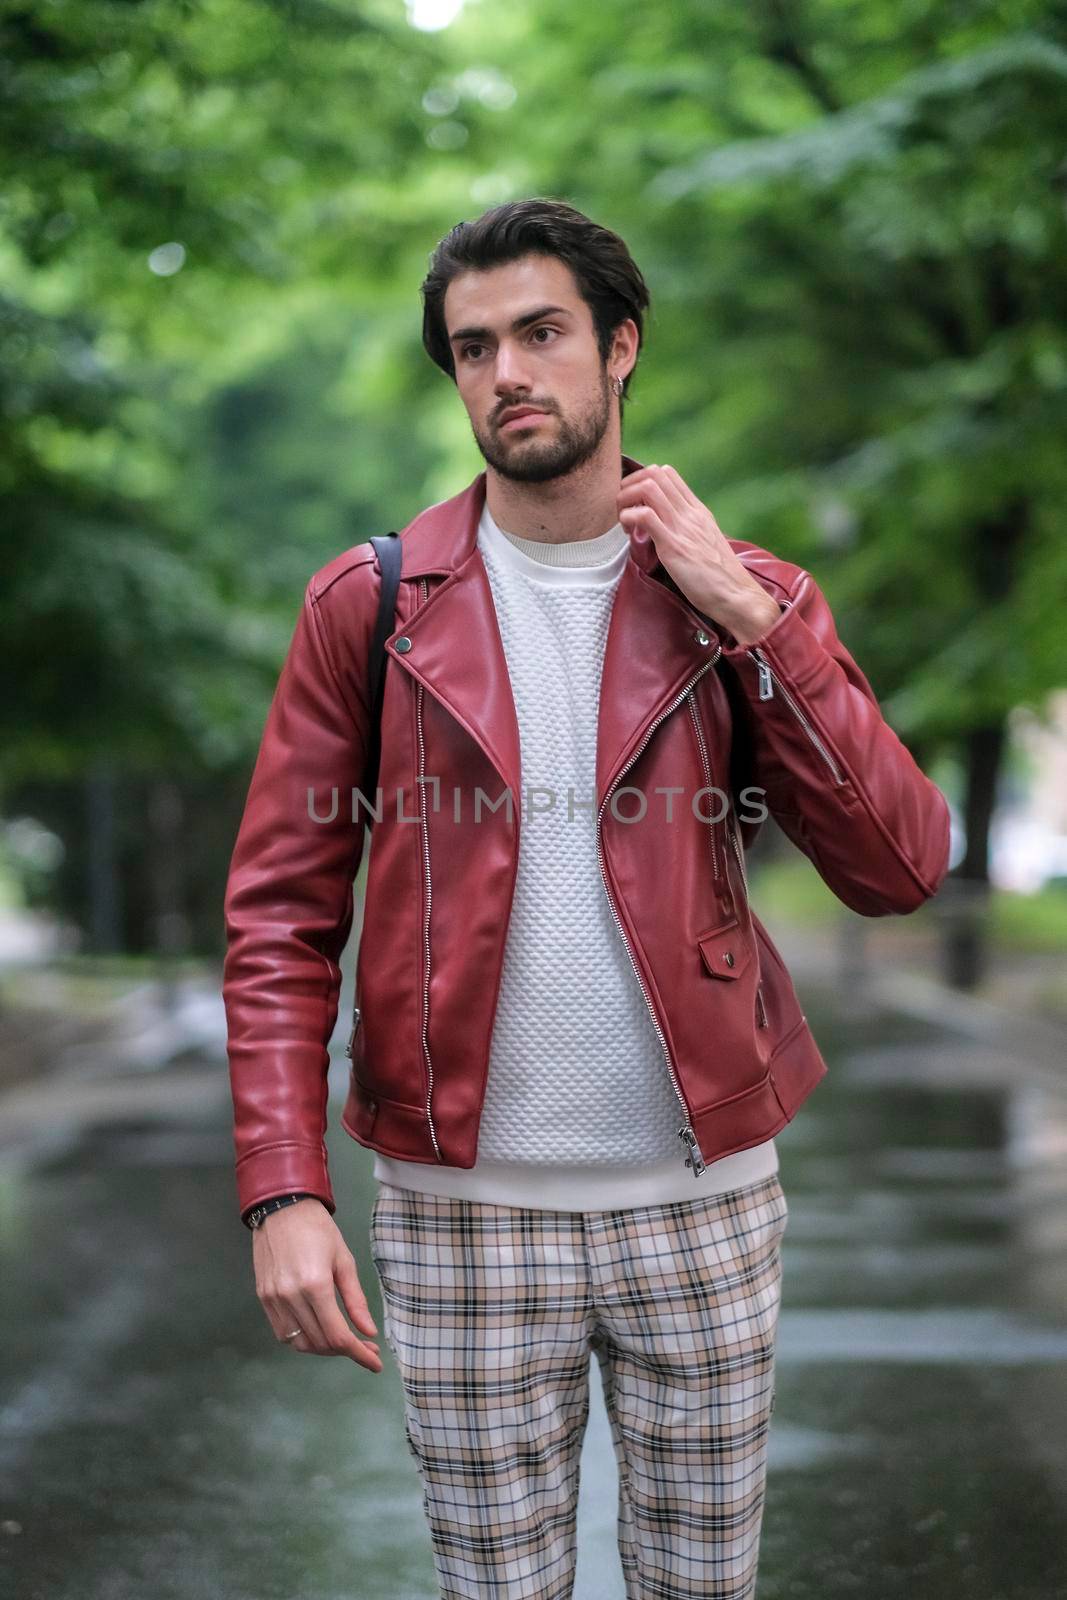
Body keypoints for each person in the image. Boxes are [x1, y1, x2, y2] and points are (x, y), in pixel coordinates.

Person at [222, 197, 951, 1599]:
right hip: (458, 1213)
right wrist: (282, 1189)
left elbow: (898, 865)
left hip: (704, 1204)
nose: (506, 372)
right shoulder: (367, 607)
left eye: (542, 332)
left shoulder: (744, 599)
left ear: (620, 349)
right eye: (474, 346)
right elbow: (278, 917)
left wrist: (756, 623)